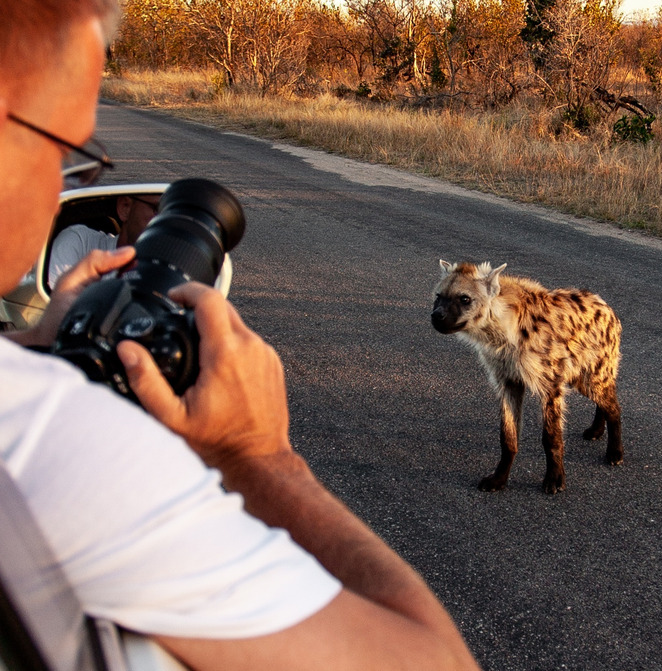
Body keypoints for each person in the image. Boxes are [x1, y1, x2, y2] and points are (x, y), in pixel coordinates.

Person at [0, 2, 481, 670]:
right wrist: (259, 457)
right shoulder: (49, 439)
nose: (62, 181)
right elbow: (440, 661)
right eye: (61, 148)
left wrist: (33, 345)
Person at [48, 194, 161, 288]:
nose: (168, 220)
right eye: (158, 210)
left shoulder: (177, 271)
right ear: (125, 207)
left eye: (177, 214)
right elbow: (50, 304)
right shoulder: (80, 244)